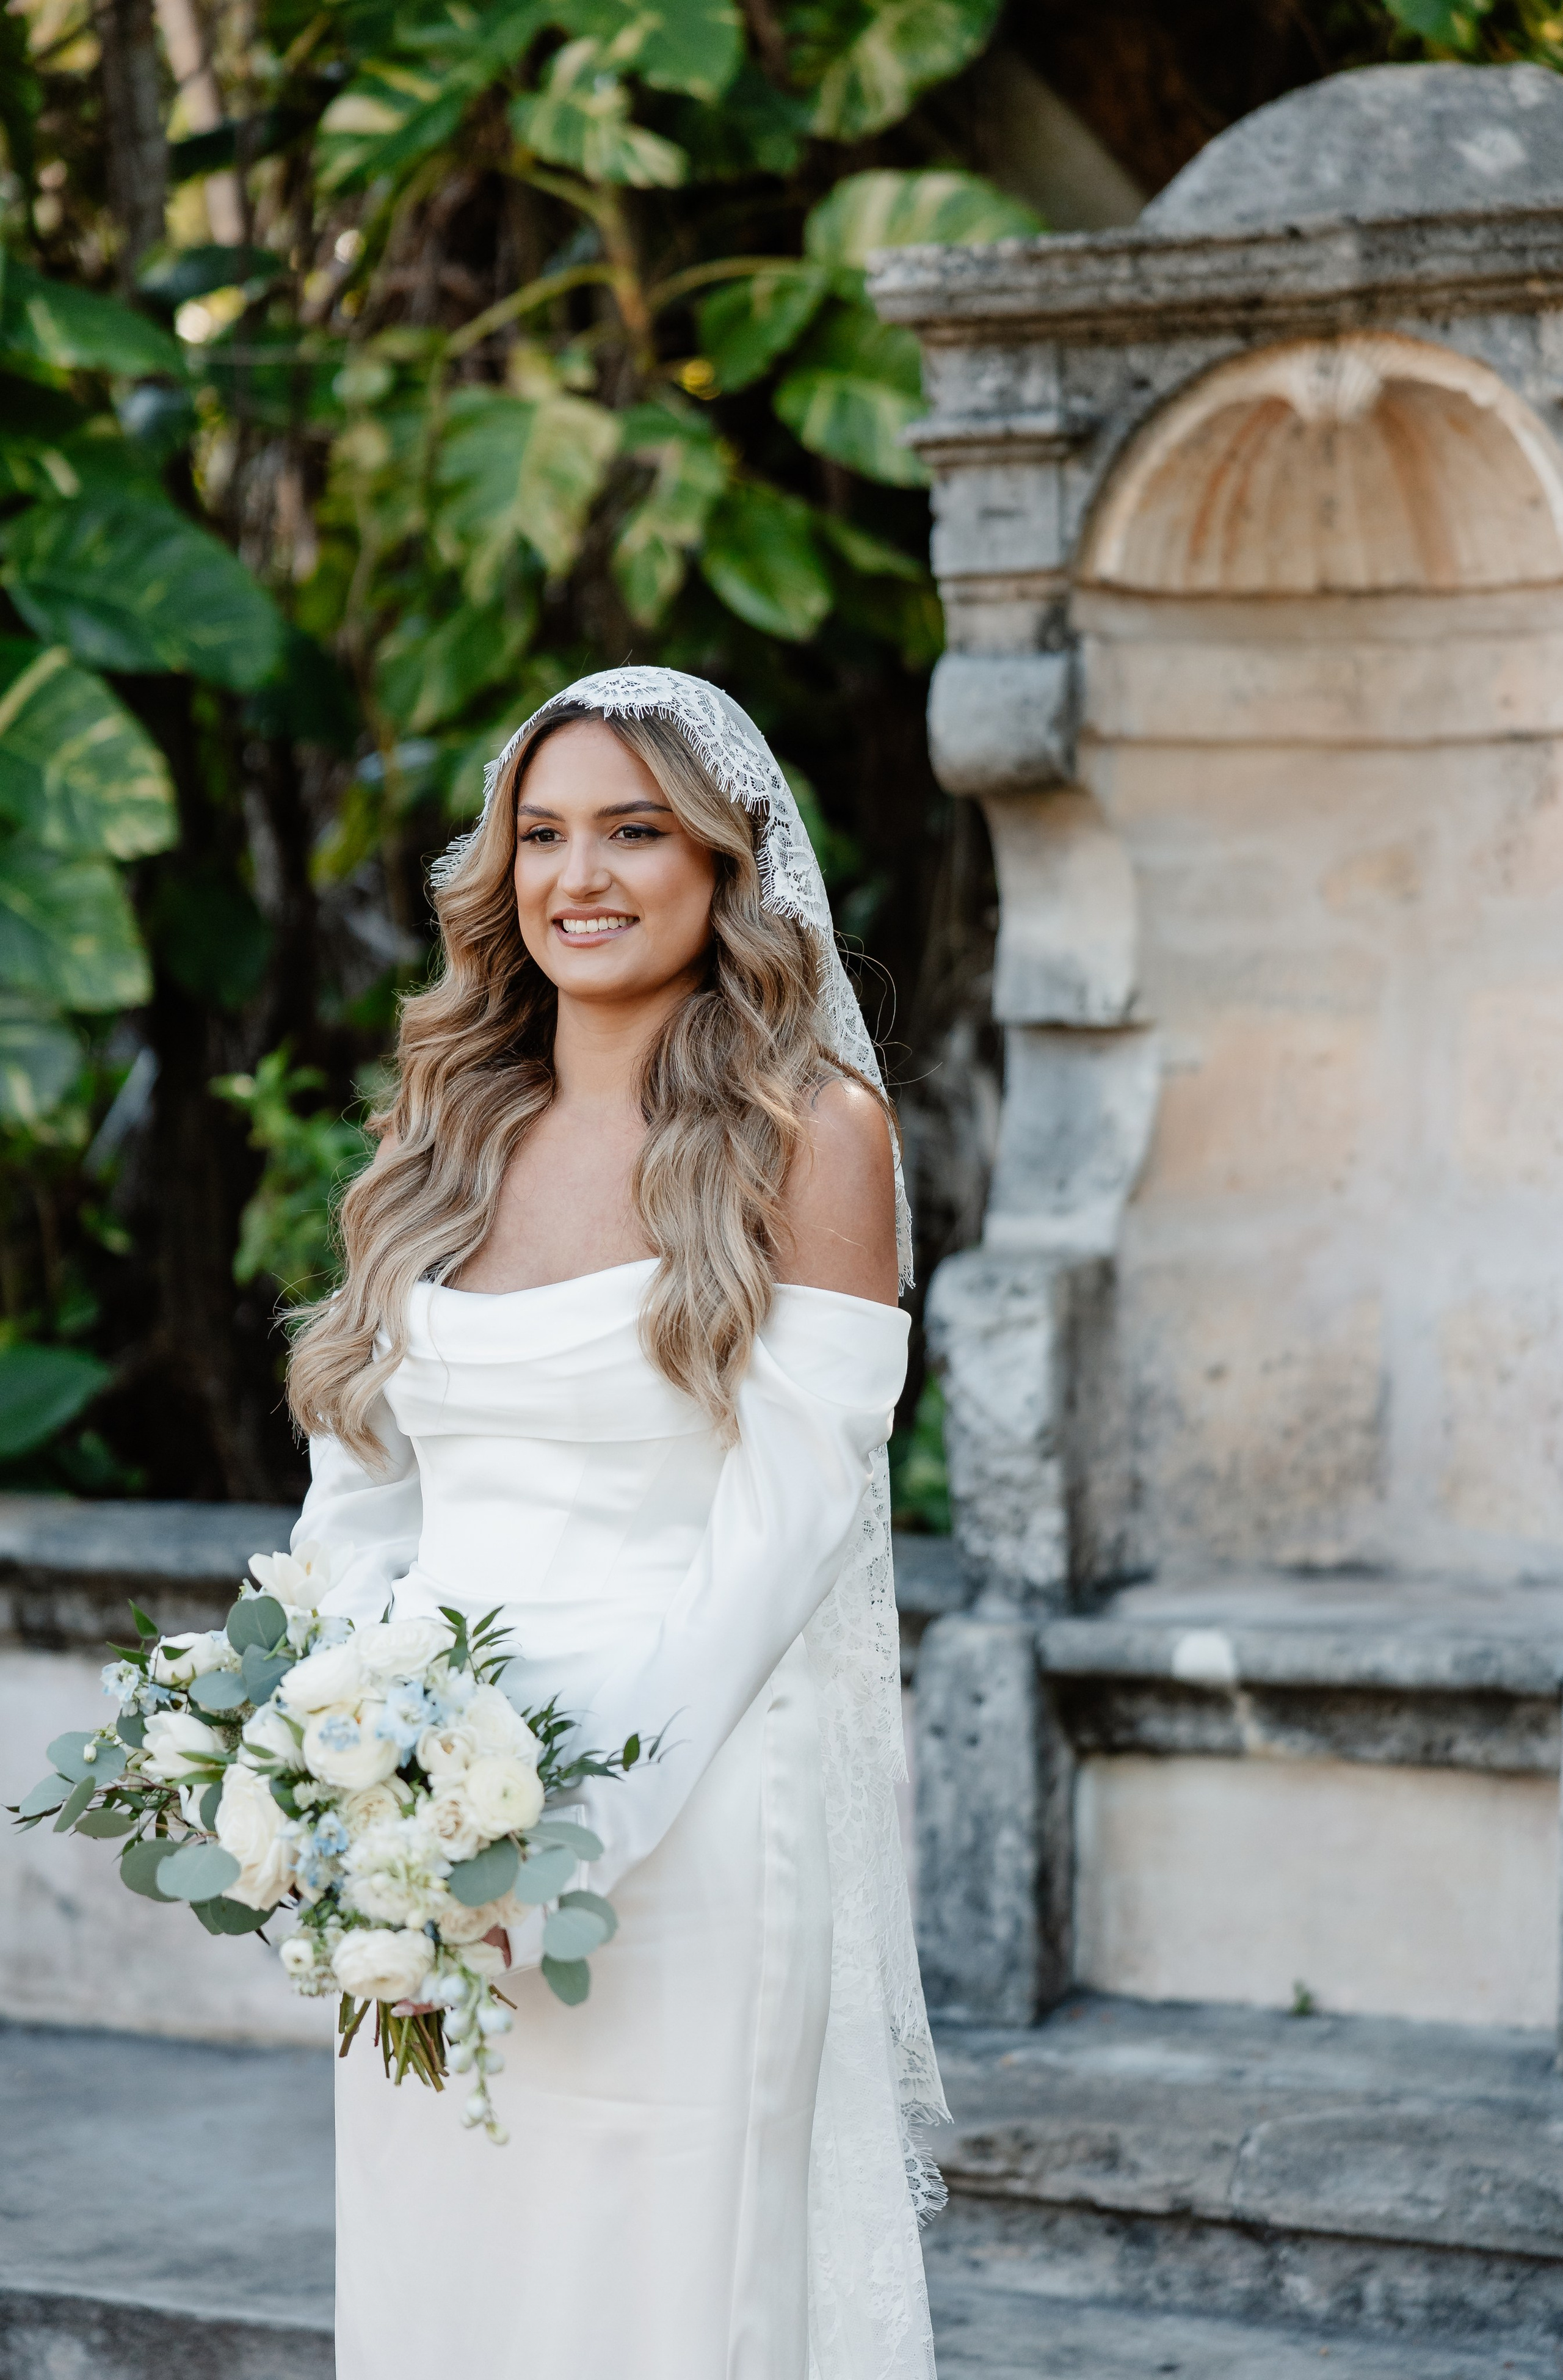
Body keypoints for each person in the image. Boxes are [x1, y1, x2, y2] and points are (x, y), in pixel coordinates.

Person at [284, 668, 947, 2380]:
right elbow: (362, 1478)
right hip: (416, 1829)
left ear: (726, 862)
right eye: (543, 834)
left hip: (685, 1809)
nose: (578, 876)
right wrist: (339, 1765)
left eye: (635, 832)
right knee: (444, 2285)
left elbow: (788, 1526)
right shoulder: (446, 1122)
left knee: (658, 2303)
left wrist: (575, 1826)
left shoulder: (815, 1136)